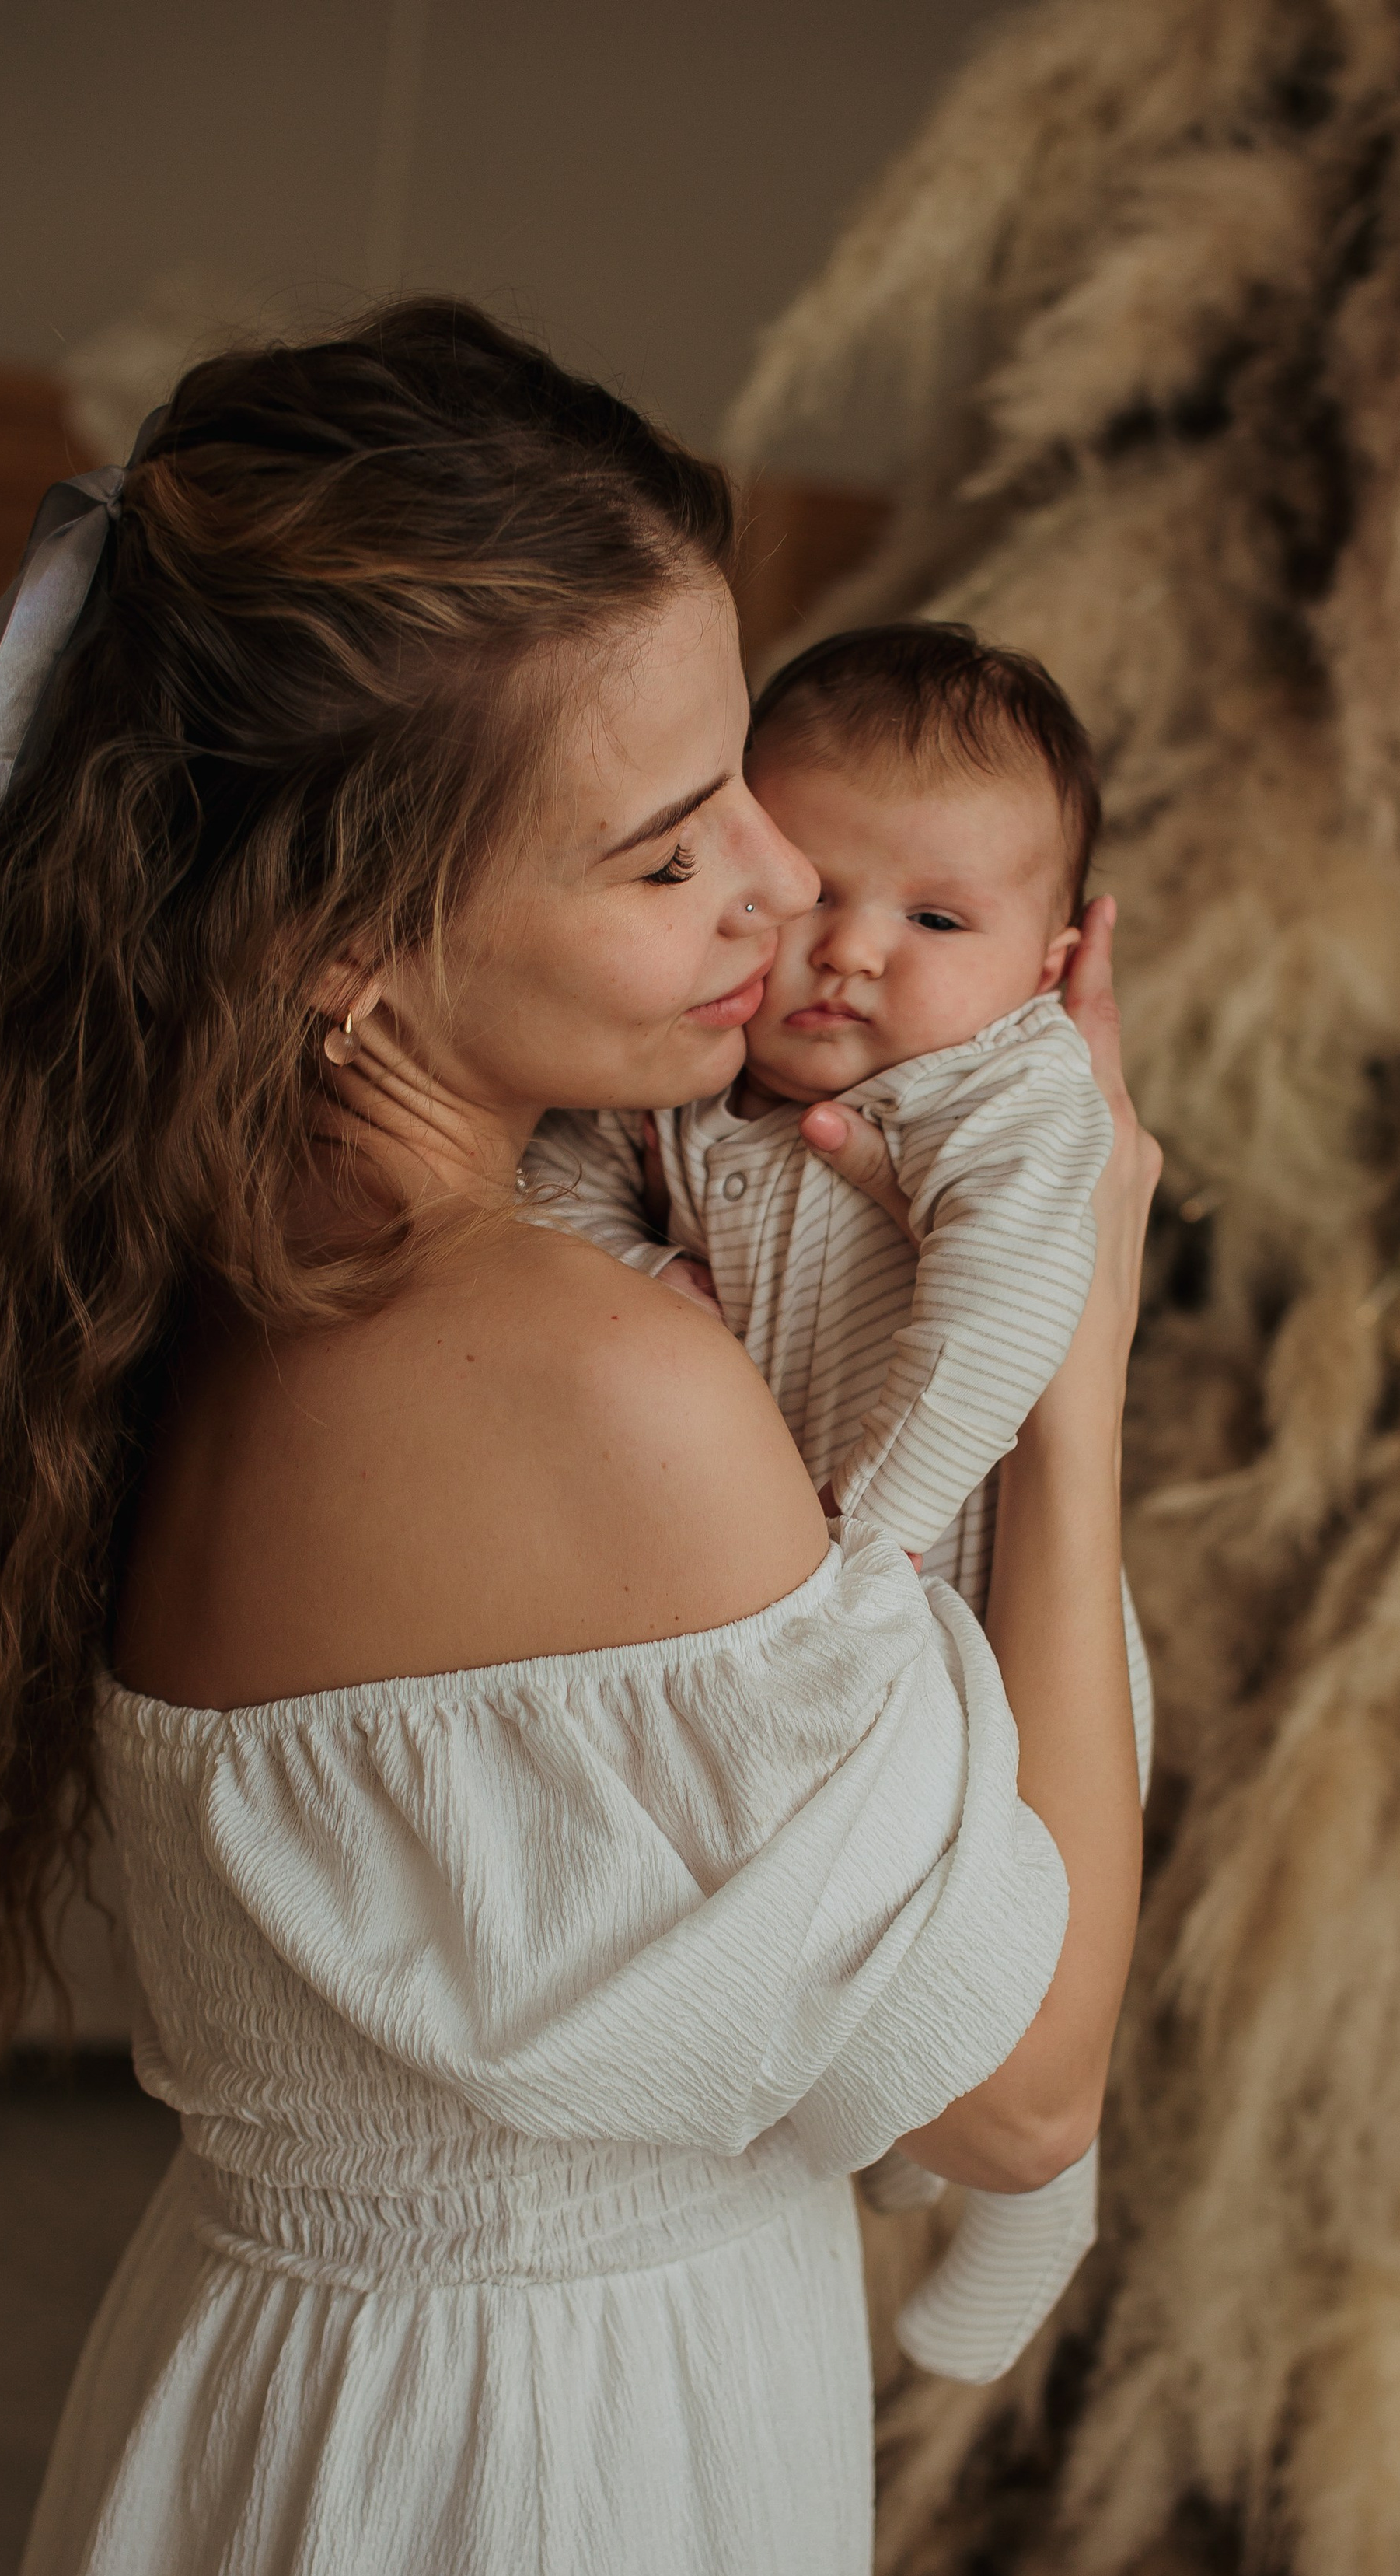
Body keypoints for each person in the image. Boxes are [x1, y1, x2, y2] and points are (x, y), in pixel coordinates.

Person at [0, 301, 1157, 2576]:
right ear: (346, 954)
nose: (782, 891)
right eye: (664, 853)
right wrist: (1073, 1376)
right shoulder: (584, 1381)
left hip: (294, 2425)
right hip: (526, 2523)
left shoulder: (215, 1259)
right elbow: (1020, 2087)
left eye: (741, 771)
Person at [526, 618, 1154, 2384]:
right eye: (814, 893)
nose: (854, 958)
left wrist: (868, 1529)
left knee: (1025, 1867)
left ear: (1047, 963)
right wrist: (631, 1280)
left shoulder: (1002, 1093)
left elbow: (1007, 1313)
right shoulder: (695, 1084)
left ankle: (1052, 2191)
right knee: (879, 1917)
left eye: (935, 922)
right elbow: (566, 1174)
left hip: (964, 1554)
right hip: (820, 1577)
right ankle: (914, 2143)